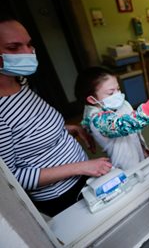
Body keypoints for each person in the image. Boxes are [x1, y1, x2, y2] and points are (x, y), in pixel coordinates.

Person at [0, 17, 113, 217]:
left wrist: (68, 128)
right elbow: (13, 178)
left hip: (83, 175)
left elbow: (31, 128)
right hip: (62, 194)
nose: (28, 52)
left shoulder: (22, 83)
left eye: (28, 44)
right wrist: (82, 167)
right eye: (14, 47)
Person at [75, 66, 149, 171]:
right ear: (92, 100)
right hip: (125, 166)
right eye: (111, 93)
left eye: (118, 89)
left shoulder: (121, 104)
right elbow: (124, 125)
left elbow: (135, 128)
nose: (117, 94)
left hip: (140, 154)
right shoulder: (97, 121)